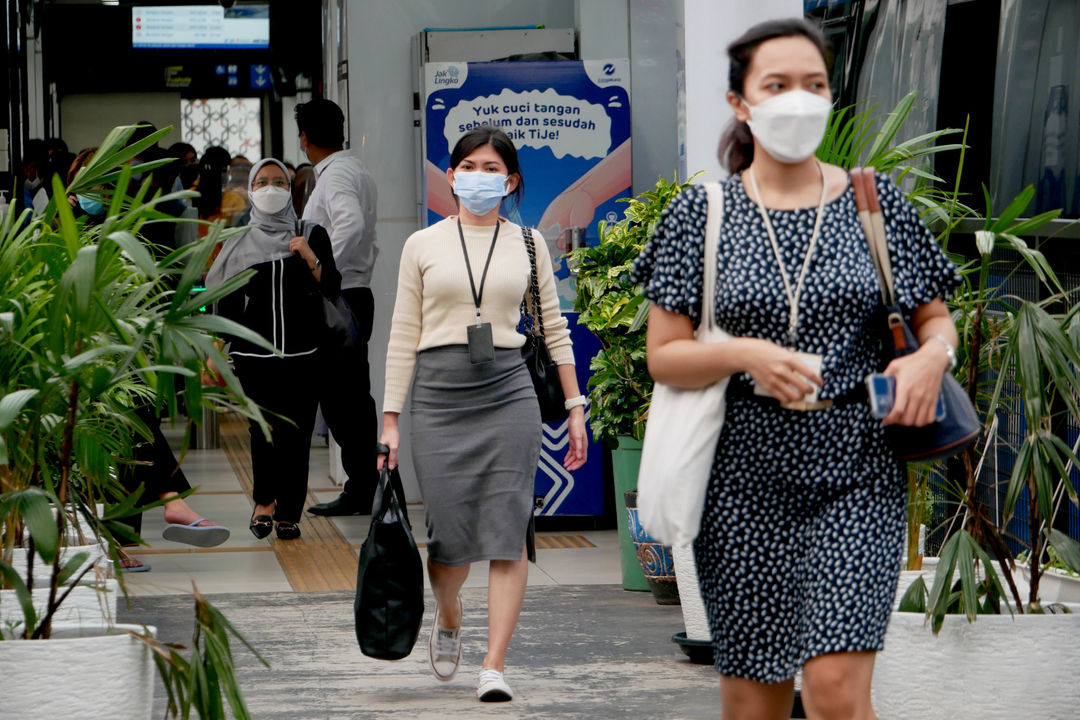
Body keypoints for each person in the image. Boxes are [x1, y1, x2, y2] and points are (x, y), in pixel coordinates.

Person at [631, 18, 960, 720]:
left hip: (858, 470)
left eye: (813, 85)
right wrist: (745, 353)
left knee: (839, 693)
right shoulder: (703, 214)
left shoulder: (875, 205)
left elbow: (934, 318)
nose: (798, 101)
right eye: (777, 85)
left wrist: (934, 356)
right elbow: (666, 354)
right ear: (740, 102)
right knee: (756, 703)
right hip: (742, 477)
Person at [380, 126, 588, 702]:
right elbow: (403, 335)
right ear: (450, 176)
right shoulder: (421, 244)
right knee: (446, 540)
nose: (477, 176)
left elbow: (553, 330)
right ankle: (449, 613)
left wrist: (574, 407)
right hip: (438, 395)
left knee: (508, 532)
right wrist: (390, 418)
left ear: (510, 179)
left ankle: (493, 665)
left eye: (490, 167)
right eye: (467, 166)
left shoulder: (527, 243)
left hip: (507, 392)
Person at [205, 159, 341, 541]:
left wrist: (310, 257)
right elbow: (226, 301)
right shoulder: (239, 239)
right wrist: (216, 348)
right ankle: (264, 503)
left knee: (295, 435)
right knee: (262, 429)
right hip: (253, 355)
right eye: (262, 182)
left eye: (278, 181)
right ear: (250, 190)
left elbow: (332, 286)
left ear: (290, 189)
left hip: (306, 353)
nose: (270, 188)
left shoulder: (311, 232)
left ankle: (289, 513)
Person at [295, 99, 381, 517]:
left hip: (341, 296)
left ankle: (362, 488)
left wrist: (319, 268)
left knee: (342, 399)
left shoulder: (336, 175)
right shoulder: (351, 169)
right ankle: (363, 485)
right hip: (352, 293)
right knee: (348, 397)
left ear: (304, 139)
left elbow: (351, 224)